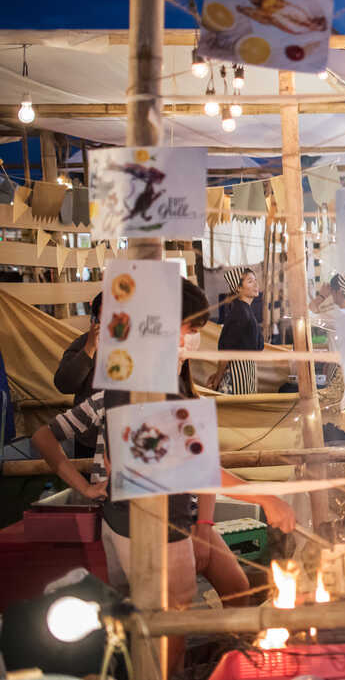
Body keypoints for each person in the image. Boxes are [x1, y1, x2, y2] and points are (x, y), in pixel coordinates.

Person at [31, 279, 295, 672]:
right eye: (190, 329)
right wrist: (263, 497)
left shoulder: (153, 381)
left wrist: (205, 524)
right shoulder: (143, 387)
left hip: (148, 521)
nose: (194, 339)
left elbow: (195, 462)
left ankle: (218, 664)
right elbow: (195, 466)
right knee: (166, 632)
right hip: (153, 527)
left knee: (160, 627)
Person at [208, 268, 264, 393]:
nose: (256, 284)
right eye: (250, 281)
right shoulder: (240, 312)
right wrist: (218, 377)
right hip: (237, 374)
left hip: (246, 372)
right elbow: (226, 350)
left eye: (255, 280)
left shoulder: (245, 309)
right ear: (238, 288)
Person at [55, 292, 103, 406]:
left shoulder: (142, 344)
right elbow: (64, 385)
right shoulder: (85, 342)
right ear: (95, 320)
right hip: (90, 420)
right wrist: (90, 347)